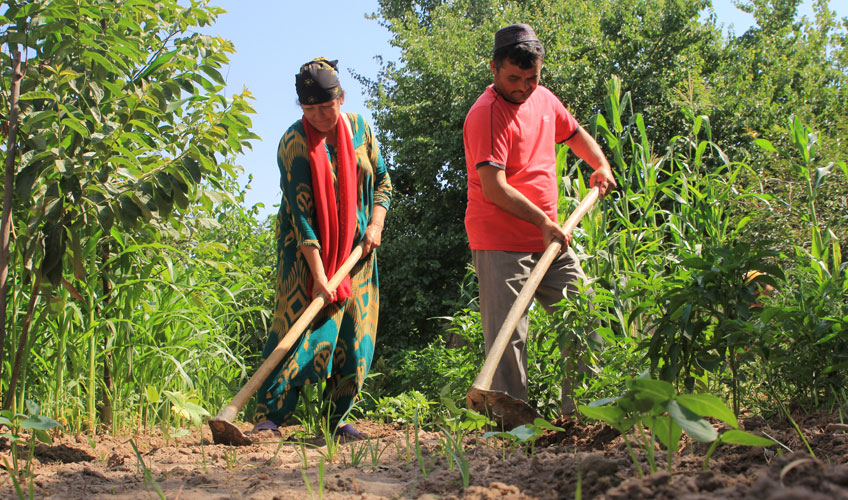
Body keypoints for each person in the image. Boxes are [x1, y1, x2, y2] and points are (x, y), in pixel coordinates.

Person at [463, 24, 617, 418]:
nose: (524, 87)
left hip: (549, 239)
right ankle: (509, 428)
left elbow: (574, 133)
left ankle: (583, 415)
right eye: (514, 78)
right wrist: (544, 222)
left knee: (583, 313)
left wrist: (598, 163)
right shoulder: (487, 115)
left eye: (532, 78)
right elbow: (494, 188)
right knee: (508, 337)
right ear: (494, 69)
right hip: (501, 241)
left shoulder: (545, 99)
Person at [251, 57, 392, 439]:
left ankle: (338, 419)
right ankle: (270, 416)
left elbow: (382, 181)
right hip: (304, 255)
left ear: (341, 98)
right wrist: (318, 277)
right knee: (296, 327)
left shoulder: (361, 129)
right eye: (309, 109)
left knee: (355, 333)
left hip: (359, 251)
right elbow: (302, 218)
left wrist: (375, 225)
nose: (318, 116)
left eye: (325, 107)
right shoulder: (293, 143)